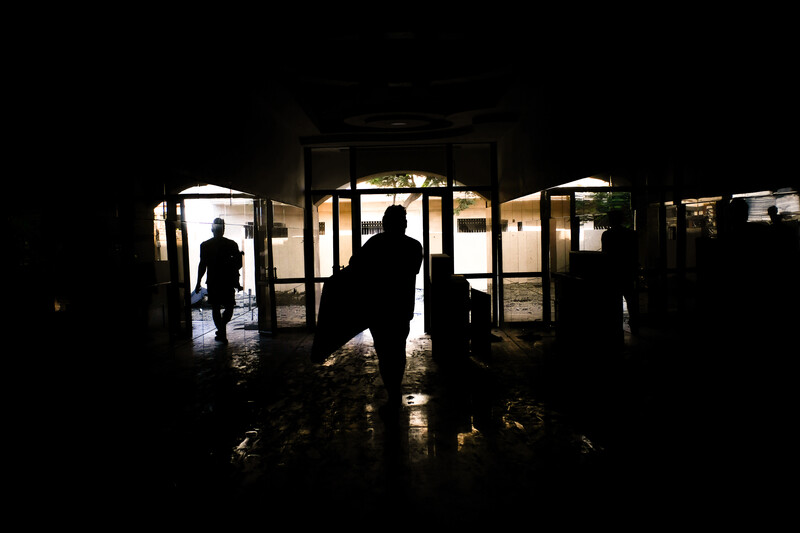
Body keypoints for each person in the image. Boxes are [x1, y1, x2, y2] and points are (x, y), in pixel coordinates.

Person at [348, 205, 423, 419]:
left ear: (384, 223)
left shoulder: (374, 244)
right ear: (403, 223)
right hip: (401, 309)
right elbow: (411, 270)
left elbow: (355, 265)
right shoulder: (414, 247)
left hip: (378, 310)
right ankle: (394, 393)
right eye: (404, 220)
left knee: (384, 353)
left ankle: (392, 393)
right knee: (397, 351)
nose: (405, 223)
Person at [194, 218, 243, 343]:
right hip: (227, 281)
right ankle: (222, 330)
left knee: (216, 308)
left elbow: (202, 265)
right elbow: (238, 265)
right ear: (223, 229)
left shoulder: (205, 245)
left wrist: (198, 282)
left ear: (212, 230)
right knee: (229, 308)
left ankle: (221, 331)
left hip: (213, 281)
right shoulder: (231, 244)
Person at [601, 210, 639, 334]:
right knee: (631, 299)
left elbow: (606, 255)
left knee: (613, 301)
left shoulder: (607, 235)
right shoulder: (631, 234)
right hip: (627, 272)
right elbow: (634, 254)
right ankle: (634, 323)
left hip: (613, 273)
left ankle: (615, 325)